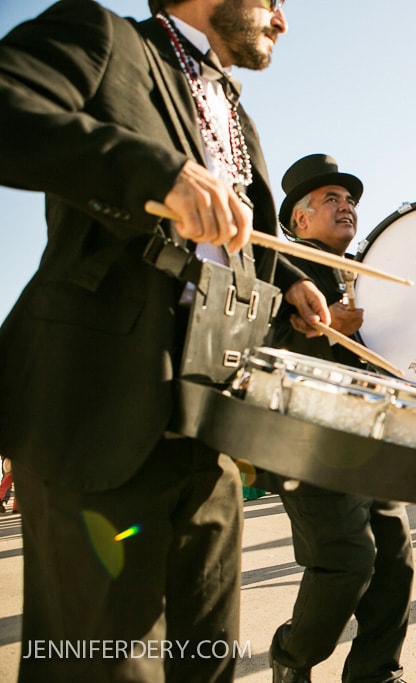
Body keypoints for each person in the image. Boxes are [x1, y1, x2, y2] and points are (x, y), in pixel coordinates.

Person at [0, 2, 334, 680]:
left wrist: (288, 278)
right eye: (271, 0)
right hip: (97, 409)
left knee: (205, 656)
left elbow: (233, 238)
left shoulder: (237, 114)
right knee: (102, 666)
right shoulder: (103, 37)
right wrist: (157, 172)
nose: (283, 21)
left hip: (208, 426)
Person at [265, 155, 414, 683]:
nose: (347, 207)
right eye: (332, 199)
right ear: (299, 219)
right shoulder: (279, 264)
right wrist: (328, 332)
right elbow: (262, 345)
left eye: (350, 200)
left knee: (395, 566)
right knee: (347, 562)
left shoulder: (365, 272)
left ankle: (375, 674)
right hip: (308, 436)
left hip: (370, 434)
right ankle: (291, 654)